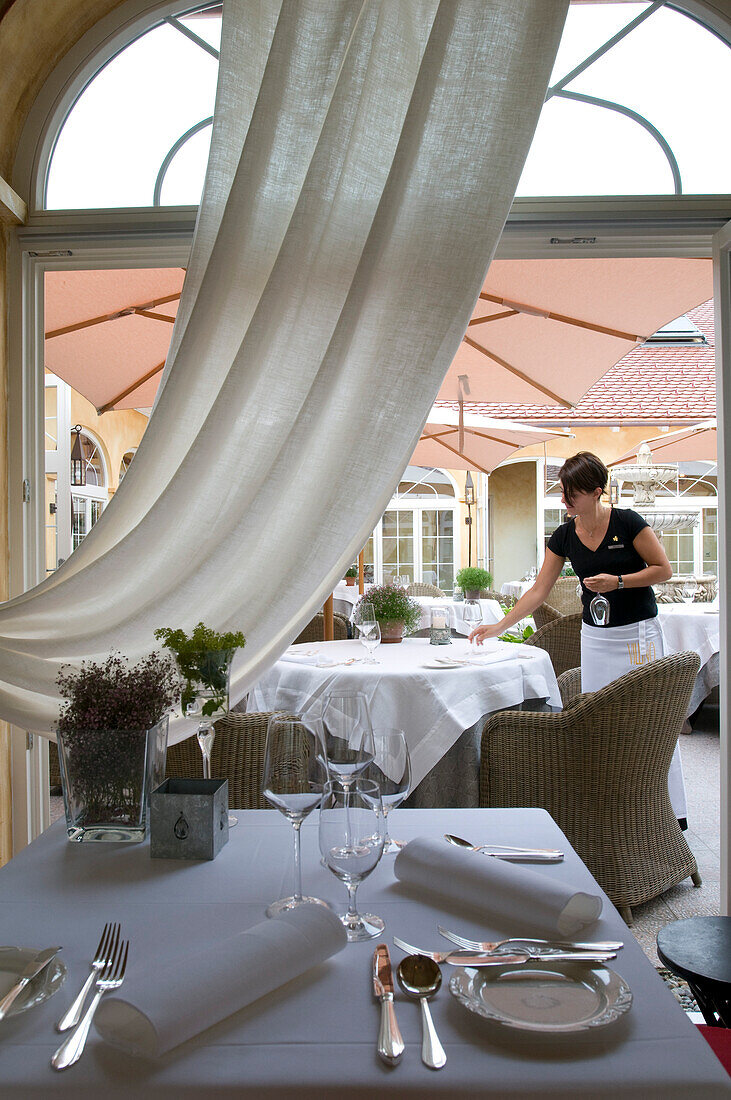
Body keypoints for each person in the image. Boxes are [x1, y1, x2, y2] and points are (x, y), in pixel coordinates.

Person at [471, 451, 689, 823]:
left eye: (570, 494)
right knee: (600, 719)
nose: (563, 500)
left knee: (649, 718)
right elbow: (539, 590)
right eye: (562, 493)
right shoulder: (565, 536)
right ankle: (611, 805)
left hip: (638, 635)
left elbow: (663, 570)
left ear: (596, 492)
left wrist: (618, 581)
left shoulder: (628, 522)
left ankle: (669, 812)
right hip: (597, 639)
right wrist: (498, 627)